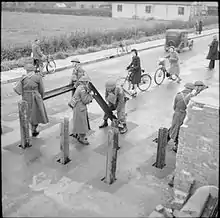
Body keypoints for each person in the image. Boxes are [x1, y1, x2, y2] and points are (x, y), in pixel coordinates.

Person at [153, 83, 196, 152]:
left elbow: (174, 106)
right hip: (184, 114)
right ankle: (175, 144)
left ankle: (166, 139)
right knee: (178, 129)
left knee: (174, 127)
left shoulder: (178, 95)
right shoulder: (192, 97)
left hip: (177, 113)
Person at [20, 64, 49, 137]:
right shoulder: (38, 77)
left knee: (28, 113)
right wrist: (41, 97)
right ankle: (34, 129)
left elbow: (20, 90)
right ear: (33, 70)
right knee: (36, 113)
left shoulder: (23, 78)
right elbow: (42, 89)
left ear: (26, 70)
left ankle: (31, 129)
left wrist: (24, 97)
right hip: (35, 97)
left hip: (26, 97)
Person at [70, 75, 93, 145]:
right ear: (85, 82)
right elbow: (85, 100)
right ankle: (81, 138)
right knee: (82, 123)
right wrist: (91, 96)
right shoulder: (82, 89)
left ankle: (77, 134)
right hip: (80, 107)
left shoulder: (79, 87)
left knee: (78, 121)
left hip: (77, 106)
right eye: (87, 82)